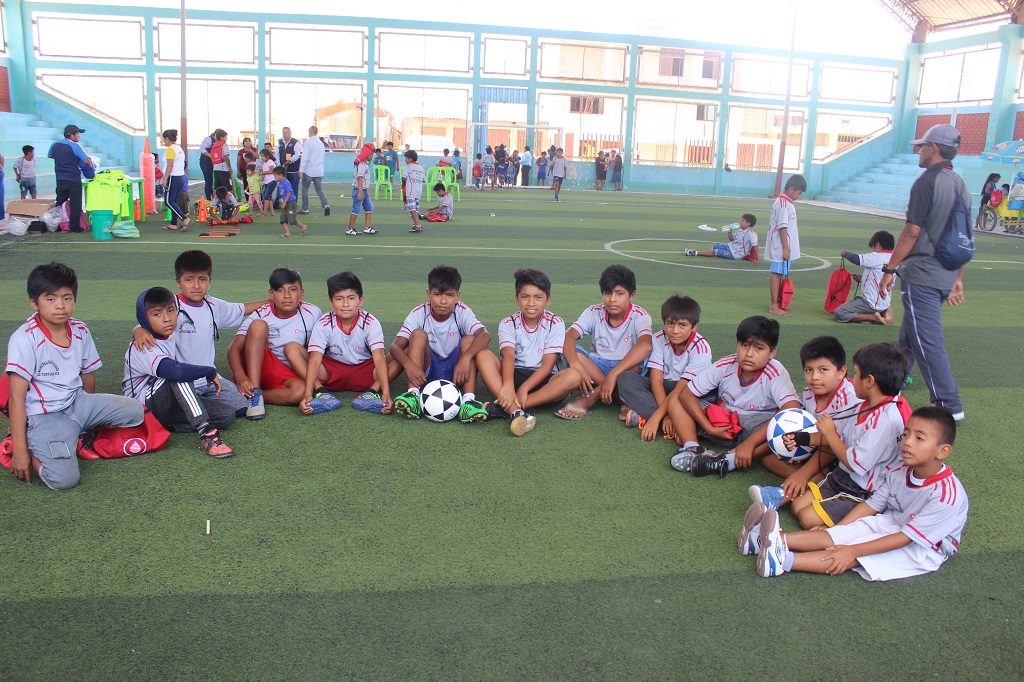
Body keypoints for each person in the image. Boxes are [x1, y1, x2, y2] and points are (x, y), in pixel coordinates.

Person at [747, 406, 967, 581]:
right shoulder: (901, 470)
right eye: (906, 434)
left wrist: (853, 550)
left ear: (943, 451)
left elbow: (905, 538)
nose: (907, 442)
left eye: (919, 438)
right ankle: (765, 539)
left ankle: (783, 561)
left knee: (855, 554)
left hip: (924, 548)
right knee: (839, 535)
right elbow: (872, 505)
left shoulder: (946, 496)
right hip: (894, 521)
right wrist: (842, 529)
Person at [5, 263, 145, 488]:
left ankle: (76, 433)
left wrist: (89, 417)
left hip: (77, 403)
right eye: (50, 299)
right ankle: (27, 445)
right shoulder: (25, 338)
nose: (60, 306)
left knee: (135, 411)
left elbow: (87, 376)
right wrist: (21, 452)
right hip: (45, 416)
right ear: (34, 302)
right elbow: (15, 396)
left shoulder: (80, 329)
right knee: (64, 480)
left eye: (67, 298)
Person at [761, 342, 912, 532]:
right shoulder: (863, 406)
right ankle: (777, 499)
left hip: (863, 489)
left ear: (869, 381)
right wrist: (800, 439)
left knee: (807, 519)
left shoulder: (885, 420)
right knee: (797, 507)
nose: (852, 379)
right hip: (841, 476)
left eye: (856, 374)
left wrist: (830, 433)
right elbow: (837, 438)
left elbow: (855, 463)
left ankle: (847, 526)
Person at [879, 124, 970, 423]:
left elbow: (911, 231)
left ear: (934, 148)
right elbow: (963, 236)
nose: (918, 150)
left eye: (922, 145)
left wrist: (889, 269)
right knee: (911, 337)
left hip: (923, 273)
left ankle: (949, 404)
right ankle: (893, 385)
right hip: (944, 274)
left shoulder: (926, 182)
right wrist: (958, 279)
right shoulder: (959, 183)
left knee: (926, 338)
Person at [130, 250, 267, 422]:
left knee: (240, 406)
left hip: (209, 379)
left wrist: (273, 300)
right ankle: (193, 408)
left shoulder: (213, 305)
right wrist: (138, 330)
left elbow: (242, 308)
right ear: (178, 282)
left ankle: (198, 406)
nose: (196, 286)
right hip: (180, 382)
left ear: (210, 281)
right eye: (189, 280)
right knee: (216, 410)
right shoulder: (171, 304)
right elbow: (150, 319)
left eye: (202, 279)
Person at [668, 316, 801, 478]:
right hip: (723, 423)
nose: (749, 354)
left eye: (759, 348)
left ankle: (727, 460)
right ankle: (693, 448)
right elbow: (687, 394)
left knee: (789, 426)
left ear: (772, 352)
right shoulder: (726, 364)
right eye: (744, 345)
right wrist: (709, 427)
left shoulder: (775, 372)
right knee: (676, 399)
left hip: (755, 431)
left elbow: (792, 409)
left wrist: (749, 444)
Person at [746, 336, 862, 515]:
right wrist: (799, 448)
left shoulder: (850, 399)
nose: (815, 377)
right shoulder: (808, 394)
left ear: (841, 371)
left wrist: (803, 474)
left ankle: (780, 496)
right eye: (809, 370)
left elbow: (832, 444)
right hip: (821, 447)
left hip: (845, 457)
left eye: (823, 370)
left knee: (819, 471)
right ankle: (804, 484)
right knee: (769, 456)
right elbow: (810, 429)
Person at [122, 287, 236, 458]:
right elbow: (173, 371)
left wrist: (137, 328)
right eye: (157, 314)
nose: (167, 319)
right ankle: (207, 434)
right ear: (144, 318)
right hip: (142, 408)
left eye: (171, 310)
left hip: (165, 405)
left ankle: (164, 427)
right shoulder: (142, 346)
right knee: (177, 375)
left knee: (226, 415)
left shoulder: (169, 332)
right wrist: (208, 371)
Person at [474, 269, 584, 436]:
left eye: (538, 297)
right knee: (483, 356)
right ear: (517, 299)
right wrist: (509, 385)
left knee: (574, 376)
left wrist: (524, 388)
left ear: (548, 300)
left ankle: (507, 407)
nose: (531, 303)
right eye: (525, 297)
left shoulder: (556, 322)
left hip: (545, 383)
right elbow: (508, 356)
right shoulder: (508, 323)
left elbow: (548, 365)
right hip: (514, 374)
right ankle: (517, 412)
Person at [390, 265, 491, 422]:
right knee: (417, 335)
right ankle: (413, 395)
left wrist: (466, 358)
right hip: (427, 371)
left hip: (458, 372)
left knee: (470, 340)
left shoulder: (462, 311)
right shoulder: (419, 313)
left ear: (458, 296)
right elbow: (396, 346)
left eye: (449, 295)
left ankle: (468, 402)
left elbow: (484, 335)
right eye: (437, 294)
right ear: (428, 294)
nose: (443, 301)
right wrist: (409, 366)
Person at [556, 264, 653, 420]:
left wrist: (613, 375)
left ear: (632, 295)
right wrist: (576, 366)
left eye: (619, 293)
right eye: (608, 293)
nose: (612, 299)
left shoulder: (639, 315)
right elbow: (568, 337)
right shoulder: (594, 312)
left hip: (626, 369)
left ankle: (590, 398)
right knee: (574, 352)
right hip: (598, 366)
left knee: (643, 358)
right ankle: (621, 397)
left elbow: (646, 345)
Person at [227, 268, 322, 419]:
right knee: (259, 326)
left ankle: (248, 394)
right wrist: (240, 377)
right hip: (260, 364)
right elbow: (234, 349)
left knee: (301, 391)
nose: (287, 296)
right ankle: (255, 392)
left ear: (302, 293)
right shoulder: (261, 313)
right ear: (271, 294)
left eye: (293, 289)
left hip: (287, 371)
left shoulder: (313, 312)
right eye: (279, 290)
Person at [617, 295, 712, 442]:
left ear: (694, 326)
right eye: (670, 324)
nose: (675, 331)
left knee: (692, 404)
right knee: (625, 379)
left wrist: (656, 417)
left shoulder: (701, 348)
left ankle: (649, 418)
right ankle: (674, 425)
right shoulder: (659, 338)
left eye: (682, 325)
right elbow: (656, 381)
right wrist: (666, 415)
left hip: (687, 392)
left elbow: (680, 390)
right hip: (664, 387)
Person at [299, 271, 393, 417]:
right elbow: (315, 359)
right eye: (339, 299)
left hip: (365, 372)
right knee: (292, 349)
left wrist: (386, 393)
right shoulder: (324, 323)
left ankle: (370, 394)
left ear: (360, 300)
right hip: (332, 373)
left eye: (351, 298)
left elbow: (379, 358)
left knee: (397, 354)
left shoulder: (370, 322)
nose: (345, 304)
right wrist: (307, 394)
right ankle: (322, 394)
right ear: (331, 302)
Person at [766, 174, 806, 316]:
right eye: (799, 193)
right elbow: (782, 227)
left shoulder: (786, 203)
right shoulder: (783, 203)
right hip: (780, 246)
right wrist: (786, 247)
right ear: (791, 189)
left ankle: (779, 302)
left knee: (780, 272)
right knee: (776, 274)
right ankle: (774, 306)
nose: (799, 196)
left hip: (783, 245)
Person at [835, 230, 895, 325]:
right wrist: (862, 278)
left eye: (873, 247)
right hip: (884, 301)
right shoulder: (894, 258)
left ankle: (873, 317)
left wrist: (845, 253)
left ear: (878, 245)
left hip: (869, 303)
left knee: (840, 312)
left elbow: (856, 259)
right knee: (884, 306)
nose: (873, 250)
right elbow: (881, 275)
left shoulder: (877, 256)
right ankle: (887, 314)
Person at [48, 124, 94, 233]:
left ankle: (58, 226)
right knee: (75, 204)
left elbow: (50, 155)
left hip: (60, 178)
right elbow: (87, 161)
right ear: (71, 135)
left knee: (60, 203)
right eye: (77, 134)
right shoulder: (75, 146)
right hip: (73, 179)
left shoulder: (55, 144)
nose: (78, 136)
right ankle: (74, 227)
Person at [685, 214, 758, 260]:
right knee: (714, 247)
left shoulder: (752, 233)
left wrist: (757, 259)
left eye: (743, 220)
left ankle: (694, 252)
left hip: (736, 254)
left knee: (715, 251)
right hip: (731, 247)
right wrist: (730, 232)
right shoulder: (740, 230)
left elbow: (755, 247)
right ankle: (720, 253)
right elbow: (731, 239)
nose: (740, 222)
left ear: (748, 223)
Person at [159, 129, 191, 232]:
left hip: (173, 177)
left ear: (167, 138)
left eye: (164, 139)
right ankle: (173, 223)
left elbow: (170, 165)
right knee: (174, 201)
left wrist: (165, 179)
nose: (164, 141)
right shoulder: (179, 149)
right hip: (180, 177)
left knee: (168, 202)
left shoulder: (170, 149)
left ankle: (184, 218)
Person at [299, 126, 330, 216]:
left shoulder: (308, 143)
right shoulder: (321, 143)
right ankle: (326, 205)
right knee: (319, 189)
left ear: (310, 132)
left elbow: (304, 157)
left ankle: (305, 208)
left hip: (309, 170)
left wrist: (301, 170)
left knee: (305, 189)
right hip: (319, 171)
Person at [346, 149, 377, 236]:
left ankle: (367, 227)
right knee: (356, 209)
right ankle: (350, 228)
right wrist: (360, 192)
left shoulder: (364, 164)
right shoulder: (362, 164)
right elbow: (360, 177)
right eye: (371, 154)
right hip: (359, 190)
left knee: (369, 207)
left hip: (364, 190)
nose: (372, 156)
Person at [273, 166, 305, 237]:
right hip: (285, 203)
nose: (274, 178)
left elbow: (289, 192)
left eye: (275, 176)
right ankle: (287, 232)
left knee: (292, 220)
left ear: (281, 175)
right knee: (283, 218)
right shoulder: (281, 183)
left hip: (290, 202)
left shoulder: (286, 183)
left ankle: (303, 226)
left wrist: (284, 202)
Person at [402, 149, 425, 233]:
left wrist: (404, 184)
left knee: (412, 209)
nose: (405, 160)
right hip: (418, 192)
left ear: (410, 159)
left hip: (410, 191)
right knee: (416, 209)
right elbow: (423, 180)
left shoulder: (408, 167)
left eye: (406, 158)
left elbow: (404, 178)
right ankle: (416, 224)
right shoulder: (421, 168)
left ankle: (418, 225)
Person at [198, 129, 224, 200]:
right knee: (209, 180)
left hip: (214, 164)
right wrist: (210, 156)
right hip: (206, 163)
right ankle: (208, 198)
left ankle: (215, 197)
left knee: (214, 181)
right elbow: (202, 148)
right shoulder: (209, 139)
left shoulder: (218, 142)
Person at [259, 149, 277, 217]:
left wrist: (263, 172)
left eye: (263, 156)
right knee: (268, 197)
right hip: (267, 182)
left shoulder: (270, 162)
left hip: (272, 181)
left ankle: (264, 212)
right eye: (261, 156)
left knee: (267, 197)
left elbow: (272, 171)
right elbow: (264, 172)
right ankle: (272, 212)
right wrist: (262, 177)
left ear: (267, 156)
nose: (262, 157)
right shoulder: (264, 163)